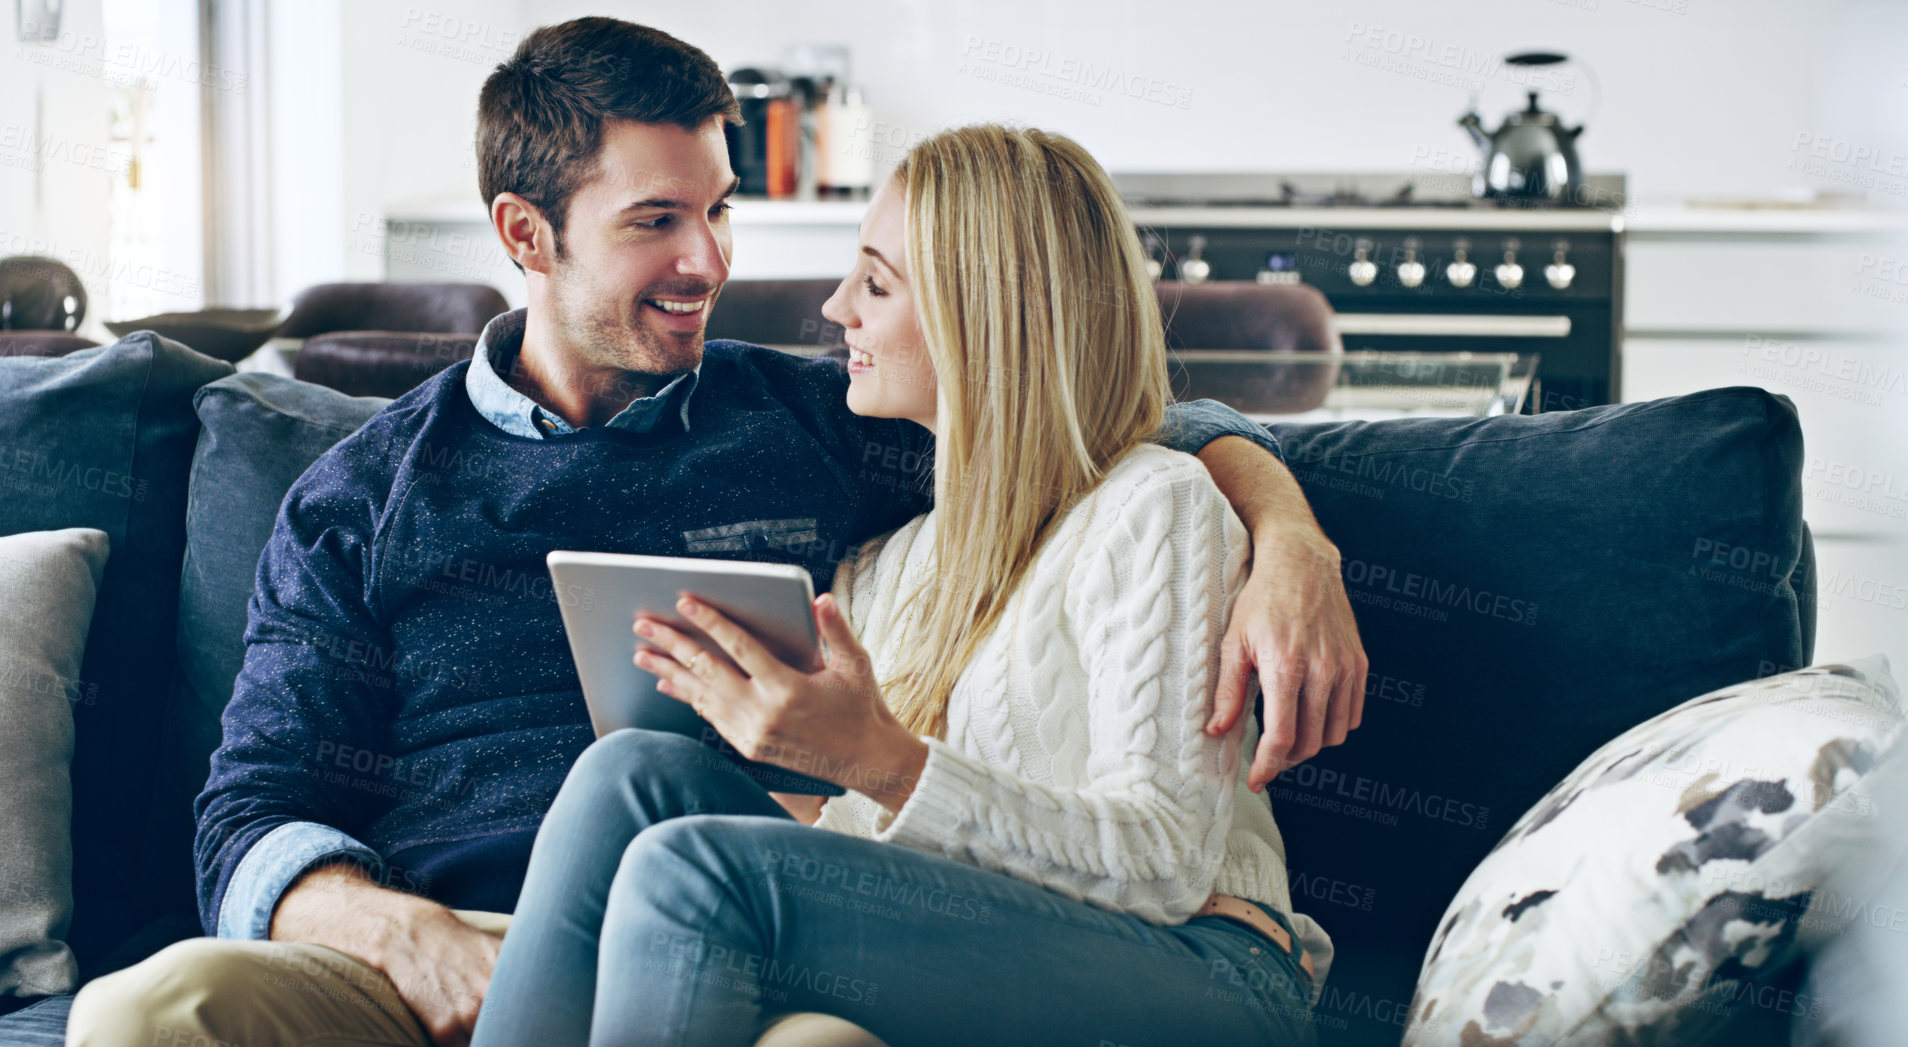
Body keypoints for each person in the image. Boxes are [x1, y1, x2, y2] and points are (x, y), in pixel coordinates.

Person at [67, 18, 1362, 1047]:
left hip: (736, 920)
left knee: (759, 962)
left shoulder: (809, 418)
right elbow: (247, 814)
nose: (712, 261)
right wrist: (412, 936)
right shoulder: (363, 493)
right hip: (425, 935)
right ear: (526, 232)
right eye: (654, 222)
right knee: (139, 1010)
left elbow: (1081, 421)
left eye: (720, 208)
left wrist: (1291, 531)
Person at [470, 123, 1330, 1047]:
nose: (838, 309)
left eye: (876, 284)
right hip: (1009, 940)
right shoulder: (885, 565)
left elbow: (1163, 865)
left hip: (1207, 969)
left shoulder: (1154, 507)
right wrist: (812, 760)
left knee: (699, 873)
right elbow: (902, 855)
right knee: (627, 773)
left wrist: (880, 758)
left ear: (985, 316)